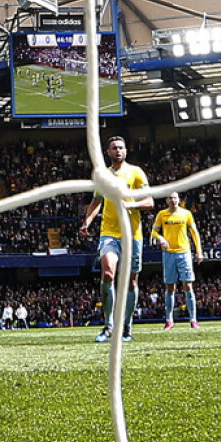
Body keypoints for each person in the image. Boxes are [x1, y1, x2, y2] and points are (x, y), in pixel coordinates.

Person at [79, 135, 153, 343]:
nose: (118, 151)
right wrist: (87, 222)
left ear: (126, 151)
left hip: (132, 235)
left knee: (130, 281)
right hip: (109, 233)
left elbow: (149, 201)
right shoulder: (104, 176)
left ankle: (127, 327)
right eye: (114, 148)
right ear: (108, 152)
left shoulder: (136, 172)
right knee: (108, 273)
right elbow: (96, 203)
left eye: (121, 147)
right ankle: (109, 325)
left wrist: (130, 205)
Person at [150, 191, 204, 330]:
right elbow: (154, 232)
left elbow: (194, 233)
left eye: (175, 197)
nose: (173, 200)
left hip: (184, 252)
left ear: (179, 199)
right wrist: (161, 238)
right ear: (167, 200)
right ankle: (169, 320)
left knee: (188, 285)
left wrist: (199, 251)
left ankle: (193, 320)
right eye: (170, 198)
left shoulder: (186, 214)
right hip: (168, 254)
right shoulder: (162, 214)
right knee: (170, 287)